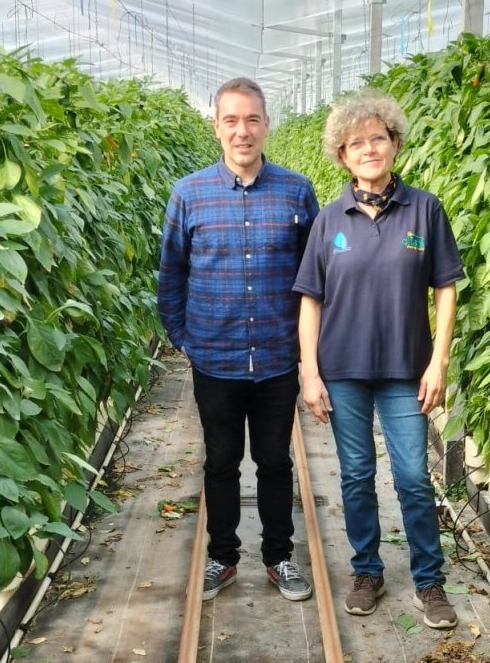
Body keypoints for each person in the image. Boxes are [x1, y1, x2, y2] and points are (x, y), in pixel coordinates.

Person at [293, 89, 463, 629]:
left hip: (404, 369)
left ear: (395, 143)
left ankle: (429, 582)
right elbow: (310, 300)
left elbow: (445, 289)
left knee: (414, 477)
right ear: (342, 155)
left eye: (378, 138)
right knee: (358, 475)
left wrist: (438, 362)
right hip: (342, 370)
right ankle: (367, 571)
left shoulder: (425, 209)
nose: (369, 149)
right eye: (356, 142)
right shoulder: (329, 219)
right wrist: (310, 372)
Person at [158, 77, 319, 602]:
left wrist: (307, 351)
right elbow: (171, 273)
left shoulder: (296, 191)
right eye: (231, 120)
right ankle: (222, 558)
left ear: (267, 125)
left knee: (274, 461)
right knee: (221, 461)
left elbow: (314, 276)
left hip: (276, 357)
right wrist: (183, 336)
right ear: (217, 128)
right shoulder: (189, 193)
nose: (242, 131)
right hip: (215, 356)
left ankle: (279, 557)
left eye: (252, 119)